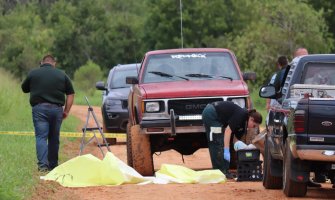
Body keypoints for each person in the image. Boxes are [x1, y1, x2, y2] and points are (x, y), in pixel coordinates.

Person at [21, 54, 75, 172]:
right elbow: (71, 93)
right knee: (54, 138)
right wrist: (66, 111)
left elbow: (24, 88)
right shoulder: (62, 74)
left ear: (41, 63)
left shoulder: (33, 73)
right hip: (56, 110)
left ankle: (42, 166)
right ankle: (53, 165)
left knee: (41, 137)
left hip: (39, 109)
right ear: (54, 63)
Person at [202, 101, 262, 177]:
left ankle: (225, 170)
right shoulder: (242, 114)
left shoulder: (243, 124)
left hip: (217, 116)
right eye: (253, 126)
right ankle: (220, 172)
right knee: (217, 141)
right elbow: (228, 131)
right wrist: (226, 150)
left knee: (224, 142)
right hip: (211, 113)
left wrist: (243, 149)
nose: (252, 128)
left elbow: (236, 140)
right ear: (251, 119)